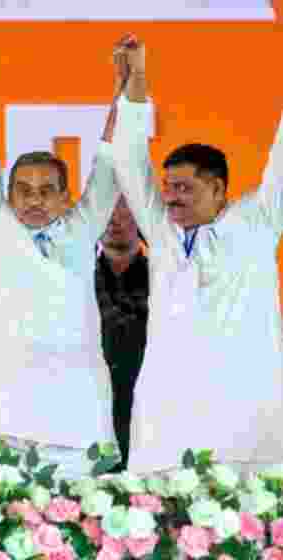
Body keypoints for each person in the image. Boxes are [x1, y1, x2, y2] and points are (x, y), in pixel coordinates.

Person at [111, 35, 283, 473]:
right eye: (168, 188)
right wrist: (136, 83)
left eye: (185, 188)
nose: (171, 198)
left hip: (245, 421)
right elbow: (130, 161)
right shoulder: (163, 232)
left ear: (220, 189)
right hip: (167, 419)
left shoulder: (257, 222)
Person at [0, 36, 126, 479]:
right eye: (24, 191)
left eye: (47, 190)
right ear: (8, 195)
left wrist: (126, 86)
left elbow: (108, 157)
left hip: (70, 411)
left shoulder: (83, 226)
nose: (34, 200)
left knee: (70, 536)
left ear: (66, 196)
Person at [95, 198, 148, 471]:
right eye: (108, 207)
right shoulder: (73, 278)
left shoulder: (170, 276)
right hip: (90, 420)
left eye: (125, 206)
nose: (115, 218)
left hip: (152, 419)